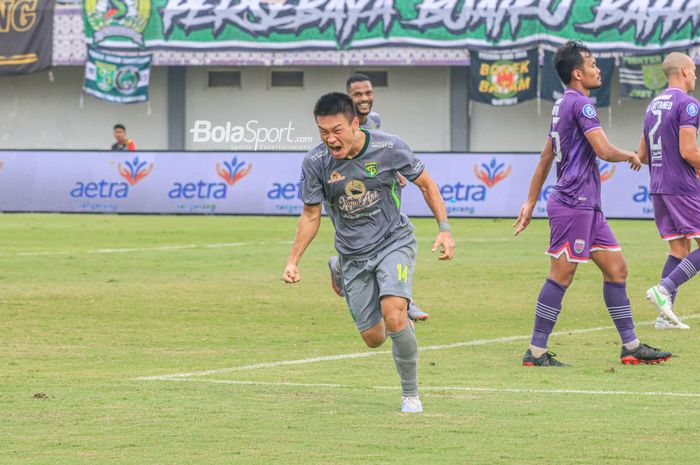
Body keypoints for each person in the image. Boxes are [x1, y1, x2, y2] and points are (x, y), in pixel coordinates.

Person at [282, 92, 454, 412]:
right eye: (323, 132)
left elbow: (427, 184)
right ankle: (339, 269)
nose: (330, 139)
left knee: (394, 316)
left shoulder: (389, 148)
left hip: (394, 241)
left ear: (355, 123)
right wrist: (293, 260)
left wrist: (444, 229)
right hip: (352, 254)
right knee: (374, 338)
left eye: (336, 130)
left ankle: (410, 395)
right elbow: (310, 214)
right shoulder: (316, 163)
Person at [513, 41, 672, 366]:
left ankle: (630, 346)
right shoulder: (582, 105)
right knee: (561, 274)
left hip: (588, 206)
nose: (597, 68)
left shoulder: (561, 105)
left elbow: (546, 156)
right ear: (577, 73)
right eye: (592, 63)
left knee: (617, 270)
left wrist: (530, 201)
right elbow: (601, 148)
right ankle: (537, 351)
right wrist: (628, 153)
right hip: (574, 203)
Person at [327, 75, 430, 321]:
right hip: (344, 193)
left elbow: (379, 148)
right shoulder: (337, 125)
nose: (364, 99)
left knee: (394, 236)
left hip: (376, 192)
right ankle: (342, 265)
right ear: (347, 98)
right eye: (358, 94)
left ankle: (404, 300)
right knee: (360, 241)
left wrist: (392, 168)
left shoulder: (374, 121)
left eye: (368, 93)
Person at [638, 52, 700, 330]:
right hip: (681, 186)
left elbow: (642, 154)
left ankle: (665, 316)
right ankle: (665, 289)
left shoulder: (652, 105)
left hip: (658, 185)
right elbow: (688, 151)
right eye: (695, 71)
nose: (696, 76)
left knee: (679, 248)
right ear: (685, 71)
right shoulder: (688, 105)